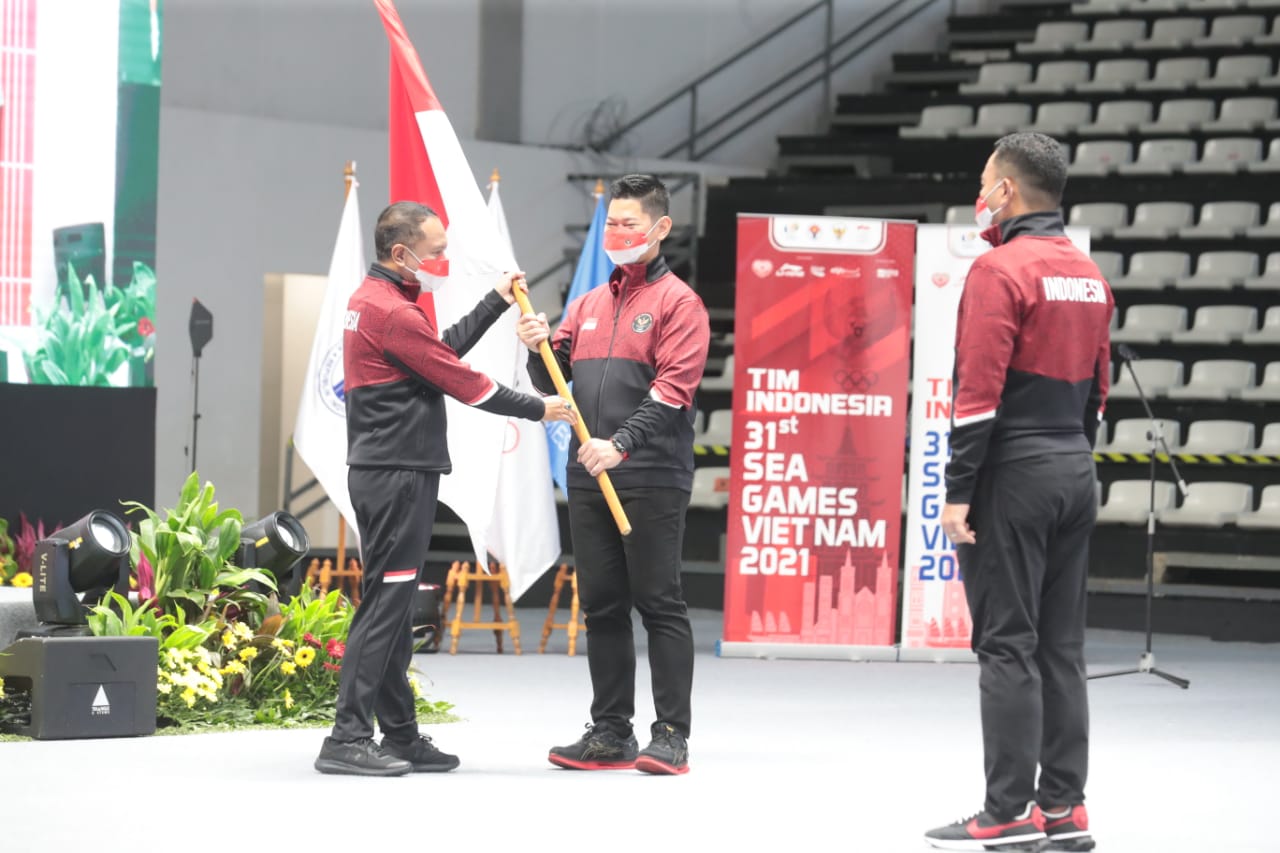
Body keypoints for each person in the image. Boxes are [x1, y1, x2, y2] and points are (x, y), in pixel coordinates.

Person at [314, 201, 576, 777]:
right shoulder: (394, 312)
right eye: (436, 252)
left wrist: (494, 302)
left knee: (391, 604)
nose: (444, 260)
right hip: (398, 474)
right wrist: (541, 408)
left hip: (386, 471)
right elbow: (465, 383)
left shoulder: (376, 300)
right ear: (400, 253)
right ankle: (346, 738)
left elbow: (438, 356)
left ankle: (400, 736)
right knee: (385, 607)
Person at [927, 132, 1112, 851]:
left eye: (985, 181)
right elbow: (1097, 394)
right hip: (1074, 467)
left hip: (1015, 472)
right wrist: (1070, 457)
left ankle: (1006, 810)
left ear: (1006, 190)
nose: (980, 193)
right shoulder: (1090, 275)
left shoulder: (999, 270)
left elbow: (976, 395)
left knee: (1007, 645)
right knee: (1061, 647)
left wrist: (958, 491)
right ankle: (1063, 807)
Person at [516, 174, 710, 776]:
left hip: (649, 472)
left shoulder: (680, 303)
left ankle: (671, 734)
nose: (617, 232)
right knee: (601, 606)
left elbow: (673, 391)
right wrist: (534, 346)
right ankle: (610, 731)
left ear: (660, 228)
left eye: (629, 223)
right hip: (587, 473)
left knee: (659, 602)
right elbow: (552, 379)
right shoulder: (587, 304)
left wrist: (620, 445)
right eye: (612, 223)